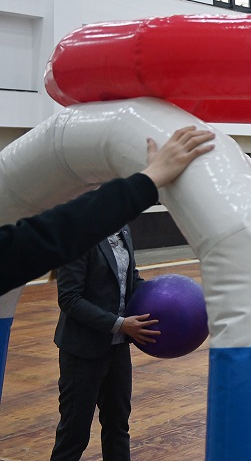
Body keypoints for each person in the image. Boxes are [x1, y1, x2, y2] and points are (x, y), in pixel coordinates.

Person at [0, 127, 216, 296]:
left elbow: (128, 274)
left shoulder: (123, 231)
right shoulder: (81, 243)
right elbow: (53, 238)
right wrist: (149, 180)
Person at [51, 223, 154, 459]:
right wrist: (119, 324)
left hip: (118, 349)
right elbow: (69, 298)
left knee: (118, 426)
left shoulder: (124, 229)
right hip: (82, 352)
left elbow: (131, 279)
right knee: (74, 434)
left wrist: (162, 296)